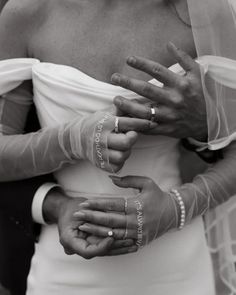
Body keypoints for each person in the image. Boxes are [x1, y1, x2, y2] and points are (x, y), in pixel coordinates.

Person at [0, 0, 235, 294]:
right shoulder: (28, 12)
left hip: (176, 266)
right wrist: (69, 141)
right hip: (65, 266)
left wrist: (178, 208)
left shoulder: (204, 12)